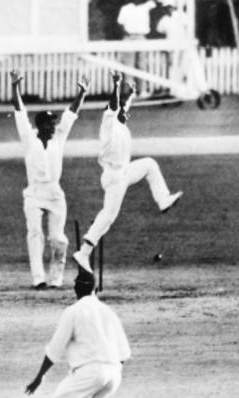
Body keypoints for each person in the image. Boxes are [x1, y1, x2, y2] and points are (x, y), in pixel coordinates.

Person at [25, 269, 131, 398]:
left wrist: (39, 377)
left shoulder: (73, 311)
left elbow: (55, 348)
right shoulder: (108, 311)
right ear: (94, 288)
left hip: (90, 371)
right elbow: (124, 354)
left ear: (77, 288)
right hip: (113, 373)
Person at [73, 73, 183, 274]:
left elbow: (123, 107)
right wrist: (116, 85)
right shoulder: (108, 124)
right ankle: (84, 253)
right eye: (121, 111)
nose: (126, 113)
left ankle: (163, 200)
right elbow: (115, 106)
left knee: (149, 164)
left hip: (124, 172)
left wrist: (131, 93)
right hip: (114, 177)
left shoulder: (121, 123)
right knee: (108, 216)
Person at [10, 68, 89, 290]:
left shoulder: (59, 138)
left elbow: (70, 115)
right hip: (34, 194)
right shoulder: (29, 139)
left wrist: (81, 93)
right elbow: (20, 112)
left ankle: (56, 278)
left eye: (54, 124)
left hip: (55, 195)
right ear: (40, 126)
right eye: (49, 124)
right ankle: (38, 278)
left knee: (57, 238)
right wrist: (15, 87)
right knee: (35, 234)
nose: (53, 127)